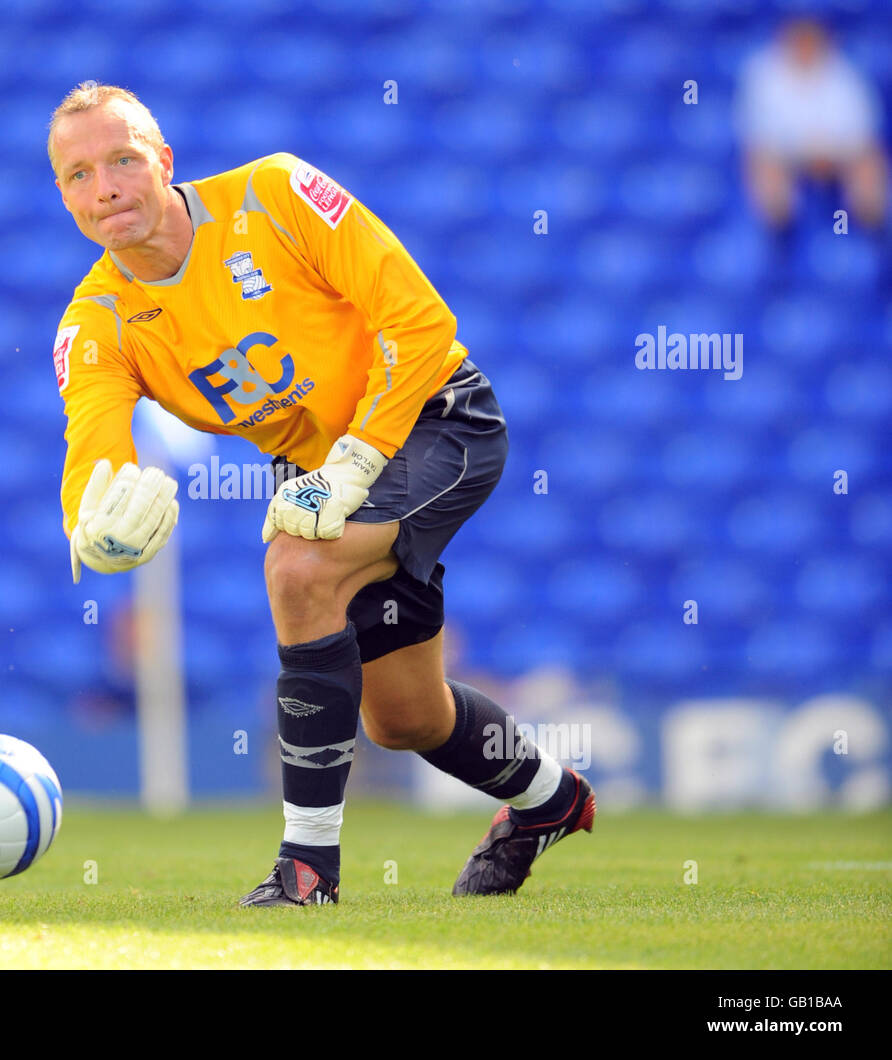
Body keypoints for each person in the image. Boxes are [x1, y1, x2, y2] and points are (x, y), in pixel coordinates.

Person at [48, 81, 594, 905]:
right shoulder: (96, 323)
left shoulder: (275, 194)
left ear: (163, 161)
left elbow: (420, 323)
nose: (105, 189)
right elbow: (91, 446)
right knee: (405, 718)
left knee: (297, 570)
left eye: (122, 160)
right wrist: (88, 525)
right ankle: (553, 801)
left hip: (434, 416)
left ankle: (307, 870)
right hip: (315, 469)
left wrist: (355, 464)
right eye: (78, 175)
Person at [736, 18, 888, 231]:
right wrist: (803, 146)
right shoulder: (764, 73)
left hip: (838, 150)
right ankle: (778, 235)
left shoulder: (844, 72)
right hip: (783, 152)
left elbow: (861, 124)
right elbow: (756, 127)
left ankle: (874, 230)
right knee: (762, 163)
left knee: (869, 162)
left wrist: (829, 148)